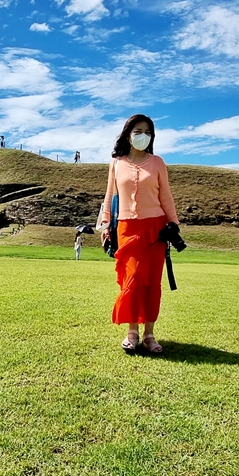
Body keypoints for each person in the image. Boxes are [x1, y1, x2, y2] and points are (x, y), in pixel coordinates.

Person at [98, 113, 180, 356]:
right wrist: (105, 224)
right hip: (126, 227)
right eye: (138, 131)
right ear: (128, 134)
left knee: (151, 282)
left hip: (155, 229)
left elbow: (166, 197)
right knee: (130, 279)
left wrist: (173, 222)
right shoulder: (116, 162)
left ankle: (149, 334)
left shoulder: (157, 163)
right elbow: (110, 195)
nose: (142, 136)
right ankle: (131, 332)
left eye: (147, 132)